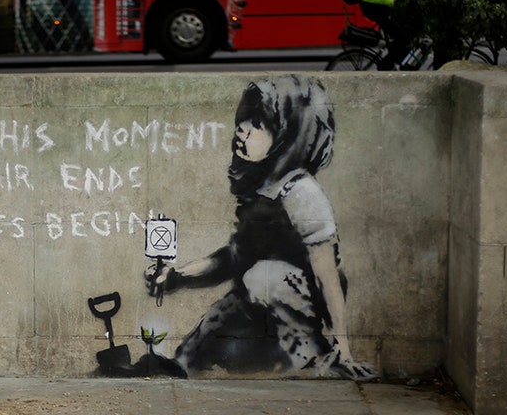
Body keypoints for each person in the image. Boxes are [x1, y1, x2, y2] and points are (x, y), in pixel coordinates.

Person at [145, 76, 376, 381]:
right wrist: (178, 276)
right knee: (215, 320)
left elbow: (327, 277)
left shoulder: (302, 193)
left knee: (260, 277)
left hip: (299, 309)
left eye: (257, 123)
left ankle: (317, 358)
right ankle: (183, 366)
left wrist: (342, 349)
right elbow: (232, 258)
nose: (242, 130)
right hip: (262, 297)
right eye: (243, 121)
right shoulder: (263, 190)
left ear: (287, 133)